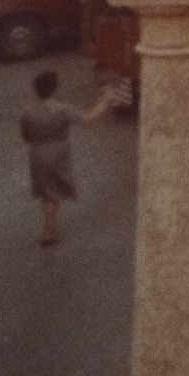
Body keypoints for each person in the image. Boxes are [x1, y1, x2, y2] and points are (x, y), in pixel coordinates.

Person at [21, 70, 117, 247]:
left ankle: (50, 228)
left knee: (45, 191)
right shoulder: (61, 109)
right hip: (58, 151)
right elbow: (89, 119)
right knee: (53, 191)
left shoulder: (28, 111)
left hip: (37, 152)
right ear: (54, 89)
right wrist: (105, 101)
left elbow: (26, 137)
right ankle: (49, 231)